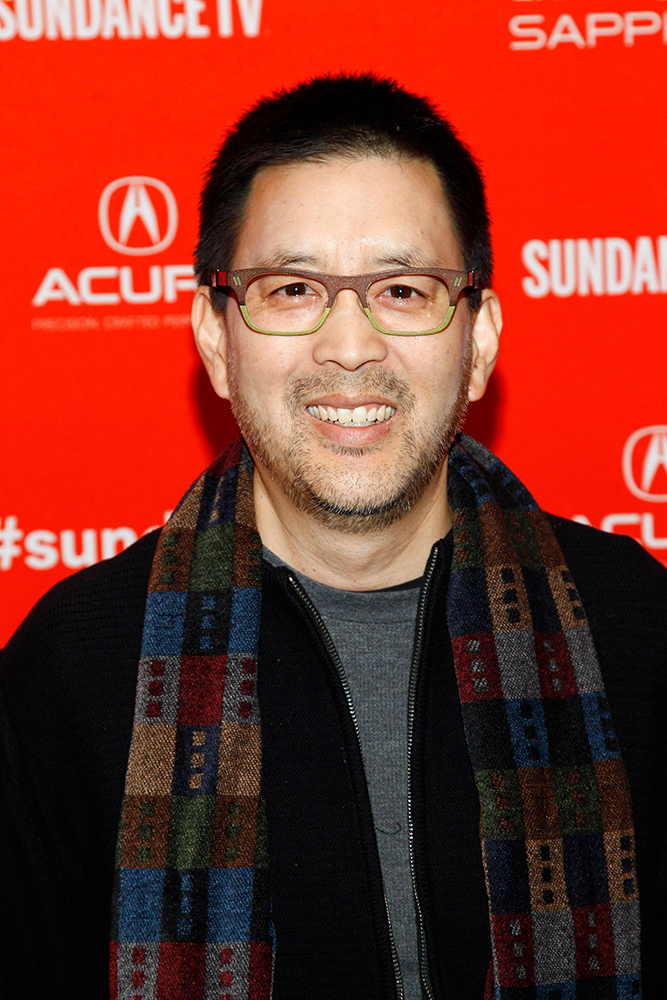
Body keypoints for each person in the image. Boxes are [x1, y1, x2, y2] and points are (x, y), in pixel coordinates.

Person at [1, 74, 665, 1000]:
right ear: (214, 336)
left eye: (401, 289)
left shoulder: (635, 626)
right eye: (292, 288)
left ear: (477, 338)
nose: (347, 345)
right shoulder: (72, 670)